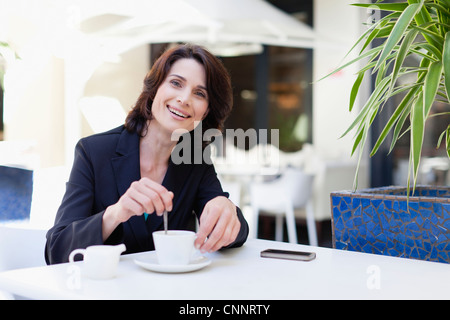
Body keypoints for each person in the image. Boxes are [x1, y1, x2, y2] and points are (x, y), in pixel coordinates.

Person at [45, 44, 249, 264]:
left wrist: (228, 211)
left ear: (206, 111)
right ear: (154, 89)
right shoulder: (94, 152)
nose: (184, 98)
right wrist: (116, 213)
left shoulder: (194, 160)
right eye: (176, 83)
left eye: (199, 93)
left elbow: (236, 235)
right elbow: (56, 250)